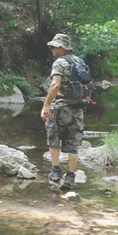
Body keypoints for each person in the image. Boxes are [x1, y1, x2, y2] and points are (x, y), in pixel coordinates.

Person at [42, 34, 85, 191]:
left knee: (54, 139)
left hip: (59, 108)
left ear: (61, 48)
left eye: (54, 47)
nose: (52, 49)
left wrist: (46, 105)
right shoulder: (80, 62)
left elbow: (55, 86)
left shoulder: (59, 63)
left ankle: (55, 172)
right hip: (78, 109)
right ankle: (71, 177)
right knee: (74, 144)